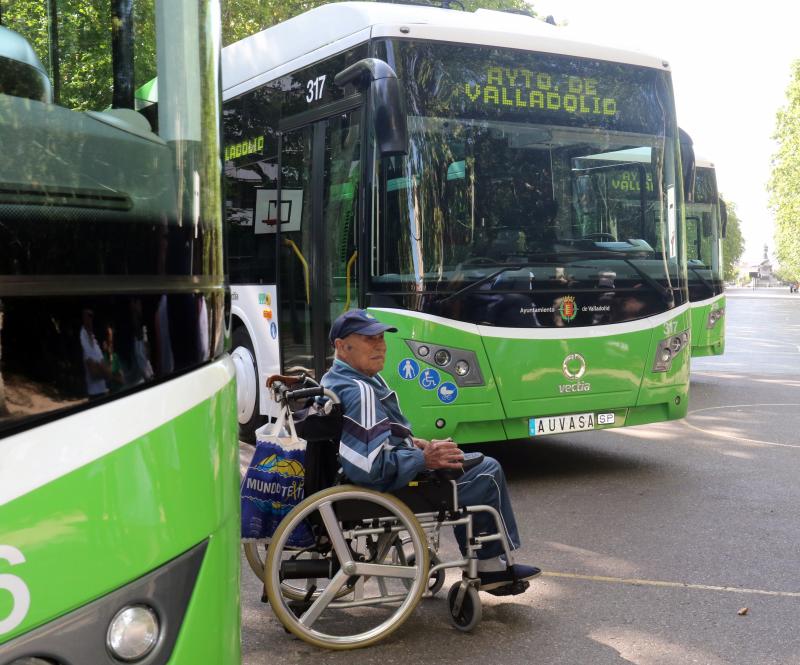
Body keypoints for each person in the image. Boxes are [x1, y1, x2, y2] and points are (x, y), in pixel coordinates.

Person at [320, 308, 540, 594]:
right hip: (384, 490)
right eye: (368, 339)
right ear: (341, 346)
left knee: (463, 458)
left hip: (372, 476)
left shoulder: (335, 380)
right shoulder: (359, 390)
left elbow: (371, 440)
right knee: (487, 470)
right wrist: (424, 459)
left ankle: (489, 562)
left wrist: (415, 442)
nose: (380, 346)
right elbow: (369, 468)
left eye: (381, 338)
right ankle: (488, 568)